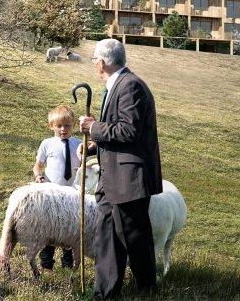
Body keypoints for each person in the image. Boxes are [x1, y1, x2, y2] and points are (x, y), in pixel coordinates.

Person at [83, 38, 163, 298]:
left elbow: (129, 131)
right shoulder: (118, 84)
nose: (94, 64)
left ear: (102, 62)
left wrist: (94, 128)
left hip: (129, 179)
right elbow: (120, 131)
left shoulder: (130, 86)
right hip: (112, 177)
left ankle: (147, 289)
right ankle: (105, 293)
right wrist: (96, 144)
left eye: (95, 60)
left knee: (134, 237)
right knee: (106, 236)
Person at [32, 105, 86, 272]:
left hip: (72, 195)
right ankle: (46, 265)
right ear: (51, 126)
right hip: (52, 194)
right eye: (59, 126)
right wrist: (37, 175)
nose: (63, 129)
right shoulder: (47, 144)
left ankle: (67, 266)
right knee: (50, 229)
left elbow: (85, 164)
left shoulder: (79, 143)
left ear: (73, 126)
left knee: (70, 229)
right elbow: (38, 165)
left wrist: (83, 167)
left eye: (67, 126)